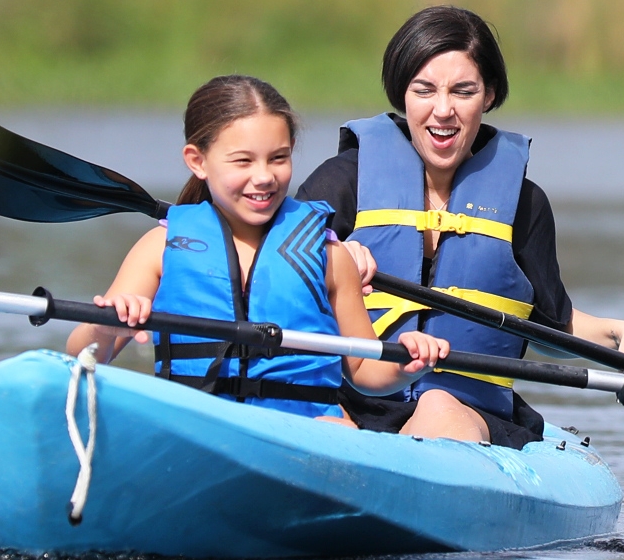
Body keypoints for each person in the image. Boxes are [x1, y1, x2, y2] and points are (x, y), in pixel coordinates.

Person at [291, 5, 624, 446]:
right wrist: (331, 252)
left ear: (489, 95)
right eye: (424, 90)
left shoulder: (525, 204)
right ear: (402, 95)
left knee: (438, 406)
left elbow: (553, 326)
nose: (442, 111)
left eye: (463, 91)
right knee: (324, 422)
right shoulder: (343, 181)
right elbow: (276, 269)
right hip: (354, 403)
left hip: (467, 413)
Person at [70, 73, 448, 420]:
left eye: (278, 158)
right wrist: (106, 328)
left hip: (304, 430)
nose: (264, 177)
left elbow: (365, 371)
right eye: (243, 161)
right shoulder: (160, 247)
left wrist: (405, 363)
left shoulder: (331, 257)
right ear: (197, 161)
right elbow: (79, 354)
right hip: (193, 423)